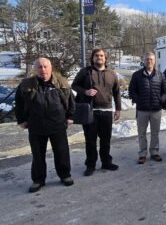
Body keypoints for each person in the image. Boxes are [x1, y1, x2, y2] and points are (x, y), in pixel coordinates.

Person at [15, 58, 75, 193]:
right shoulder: (26, 84)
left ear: (51, 68)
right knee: (37, 155)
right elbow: (19, 104)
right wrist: (21, 120)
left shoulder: (61, 82)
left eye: (45, 66)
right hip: (36, 126)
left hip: (57, 125)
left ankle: (65, 175)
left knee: (61, 152)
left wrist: (70, 116)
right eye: (40, 67)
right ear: (35, 69)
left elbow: (71, 101)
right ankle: (38, 180)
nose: (43, 70)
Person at [72, 48, 121, 176]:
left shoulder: (112, 73)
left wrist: (118, 109)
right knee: (90, 140)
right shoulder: (85, 72)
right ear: (92, 58)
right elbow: (74, 85)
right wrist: (85, 91)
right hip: (90, 111)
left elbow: (117, 92)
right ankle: (90, 165)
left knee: (106, 139)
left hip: (106, 111)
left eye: (101, 55)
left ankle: (106, 162)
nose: (99, 57)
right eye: (96, 55)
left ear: (105, 58)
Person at [129, 51, 166, 164]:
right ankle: (142, 154)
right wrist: (139, 100)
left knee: (155, 132)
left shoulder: (160, 75)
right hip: (142, 110)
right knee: (142, 133)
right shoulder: (137, 75)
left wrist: (161, 100)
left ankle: (154, 152)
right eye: (147, 59)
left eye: (151, 59)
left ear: (154, 61)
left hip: (156, 110)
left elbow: (165, 91)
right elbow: (132, 91)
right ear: (144, 61)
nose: (149, 61)